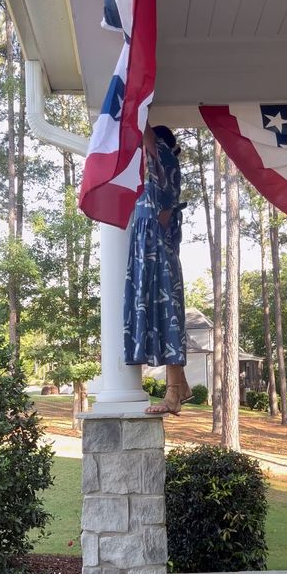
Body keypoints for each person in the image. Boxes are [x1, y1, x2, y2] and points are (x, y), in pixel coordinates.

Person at [124, 122, 191, 415]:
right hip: (150, 249)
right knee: (158, 315)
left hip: (157, 249)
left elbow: (146, 134)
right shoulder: (151, 175)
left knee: (167, 318)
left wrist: (139, 104)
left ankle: (174, 395)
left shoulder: (163, 162)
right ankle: (183, 386)